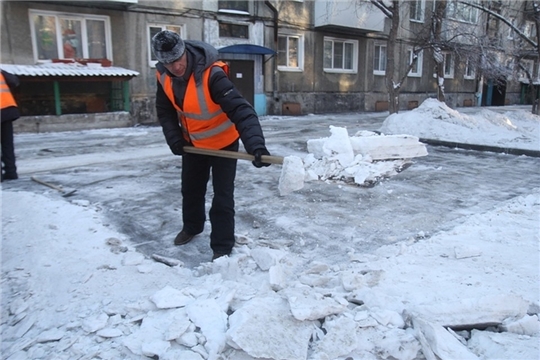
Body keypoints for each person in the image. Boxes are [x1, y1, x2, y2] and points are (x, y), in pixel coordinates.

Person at [151, 30, 271, 261]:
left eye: (178, 60)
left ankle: (222, 245)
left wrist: (255, 145)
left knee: (222, 197)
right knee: (191, 190)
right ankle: (192, 227)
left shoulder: (212, 75)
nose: (175, 67)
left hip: (223, 143)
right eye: (168, 63)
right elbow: (165, 111)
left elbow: (241, 110)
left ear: (185, 51)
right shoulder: (163, 76)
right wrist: (174, 138)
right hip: (193, 145)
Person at [1, 69, 20, 182]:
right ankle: (11, 172)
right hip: (7, 111)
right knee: (7, 144)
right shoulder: (1, 73)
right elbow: (15, 82)